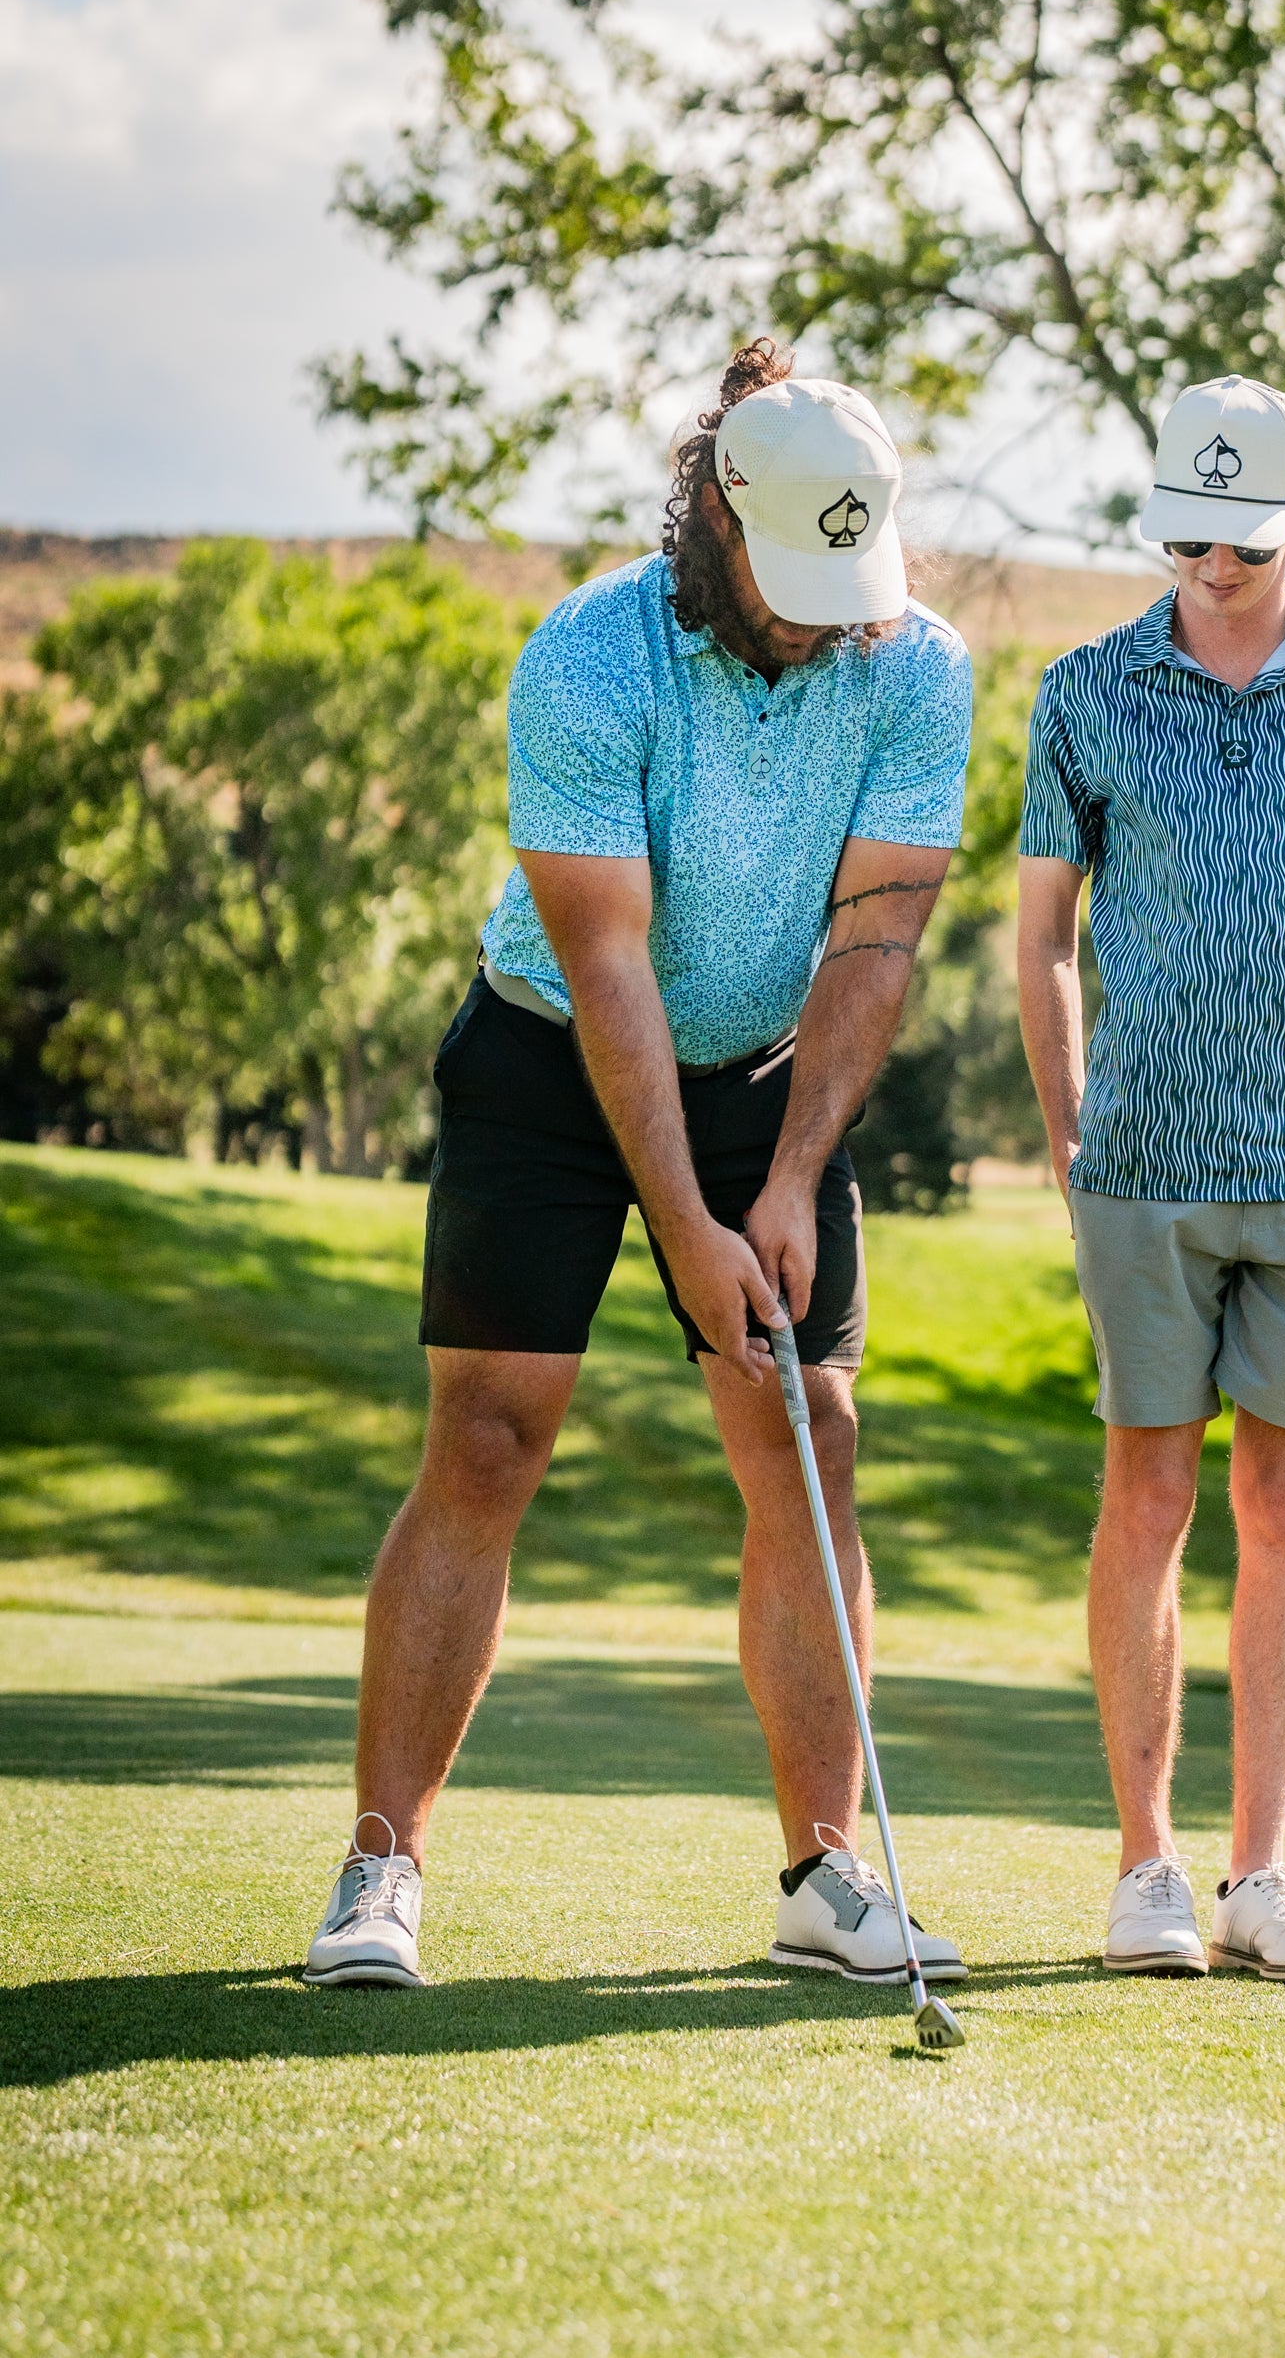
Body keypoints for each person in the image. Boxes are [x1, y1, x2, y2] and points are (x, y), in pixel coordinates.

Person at [305, 342, 973, 1992]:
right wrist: (682, 1225)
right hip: (551, 1055)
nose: (825, 614)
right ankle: (380, 1868)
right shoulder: (592, 653)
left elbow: (878, 935)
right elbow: (607, 966)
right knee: (490, 1430)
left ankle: (825, 1870)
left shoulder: (916, 664)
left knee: (806, 1433)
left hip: (768, 1069)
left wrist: (796, 1171)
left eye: (850, 579)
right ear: (714, 519)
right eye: (795, 579)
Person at [1016, 374, 1285, 1985]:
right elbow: (1043, 937)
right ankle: (1147, 1870)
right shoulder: (1081, 688)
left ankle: (1261, 1879)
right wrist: (1068, 1135)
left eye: (1245, 537)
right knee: (1151, 1491)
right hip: (1137, 1163)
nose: (1214, 561)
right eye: (1189, 530)